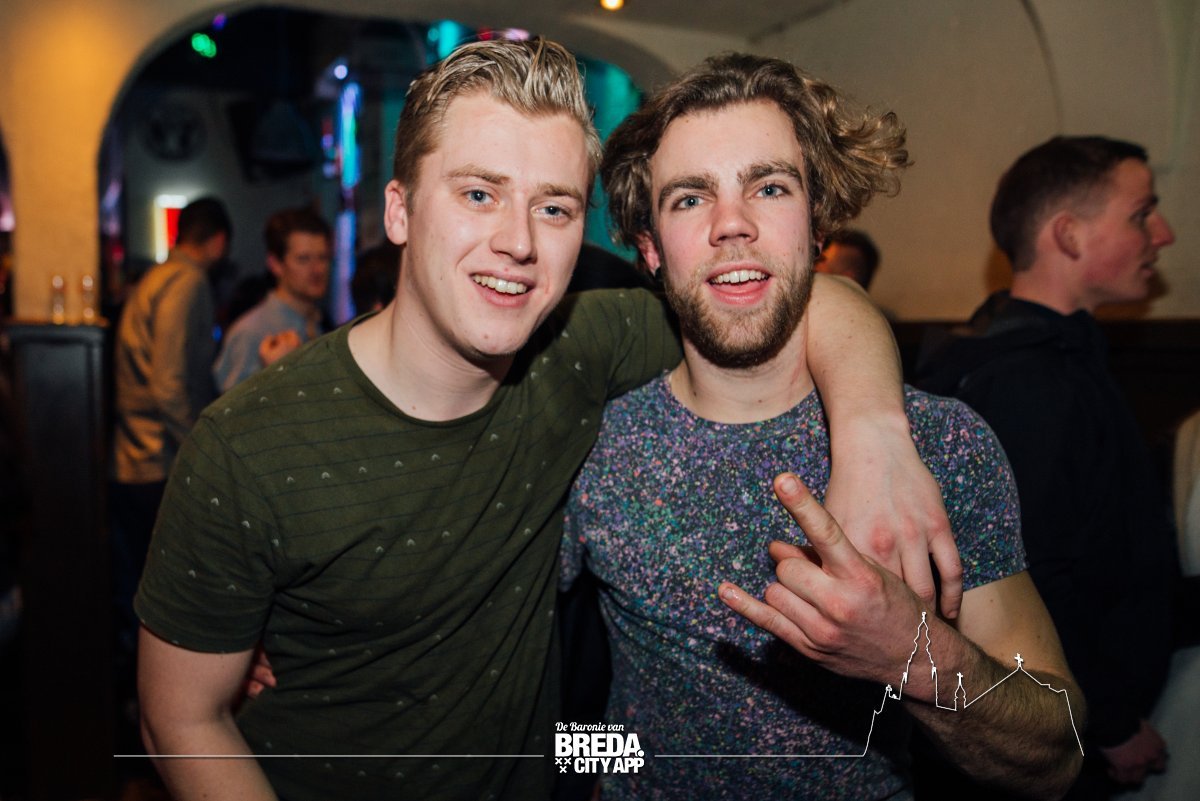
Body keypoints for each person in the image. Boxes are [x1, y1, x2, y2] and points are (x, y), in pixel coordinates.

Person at [135, 38, 957, 801]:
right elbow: (180, 720)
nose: (517, 242)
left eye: (555, 208)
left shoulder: (578, 351)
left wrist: (875, 435)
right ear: (399, 210)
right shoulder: (248, 446)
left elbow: (799, 294)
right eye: (479, 194)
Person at [565, 53, 1084, 800]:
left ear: (816, 228)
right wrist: (604, 772)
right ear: (649, 247)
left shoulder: (935, 444)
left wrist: (908, 656)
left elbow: (1058, 755)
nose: (732, 224)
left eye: (769, 187)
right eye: (690, 198)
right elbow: (528, 695)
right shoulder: (595, 447)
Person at [916, 136, 1179, 798]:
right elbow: (1031, 579)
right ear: (1067, 234)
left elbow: (1113, 559)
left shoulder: (1054, 356)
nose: (1163, 234)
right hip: (1061, 741)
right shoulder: (1028, 381)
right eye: (1141, 214)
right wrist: (1109, 725)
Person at [111, 196, 231, 659]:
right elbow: (168, 385)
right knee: (167, 602)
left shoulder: (156, 277)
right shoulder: (186, 281)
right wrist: (199, 449)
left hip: (133, 456)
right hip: (156, 460)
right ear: (218, 241)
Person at [213, 206, 331, 391]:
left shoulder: (319, 322)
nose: (317, 269)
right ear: (275, 264)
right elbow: (235, 407)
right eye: (303, 259)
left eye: (323, 257)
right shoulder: (252, 332)